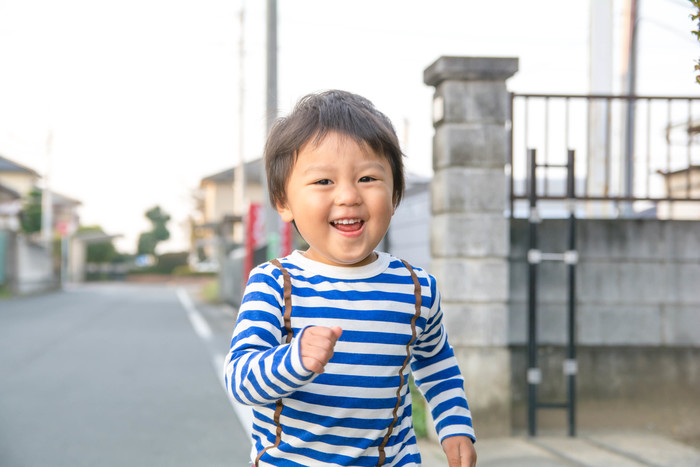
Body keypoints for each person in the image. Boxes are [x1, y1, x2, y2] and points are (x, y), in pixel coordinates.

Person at [223, 90, 476, 466]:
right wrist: (293, 360)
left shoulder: (416, 288)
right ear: (284, 202)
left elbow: (436, 360)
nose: (348, 196)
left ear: (395, 193)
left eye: (368, 177)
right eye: (323, 181)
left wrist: (454, 425)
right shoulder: (276, 283)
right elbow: (240, 378)